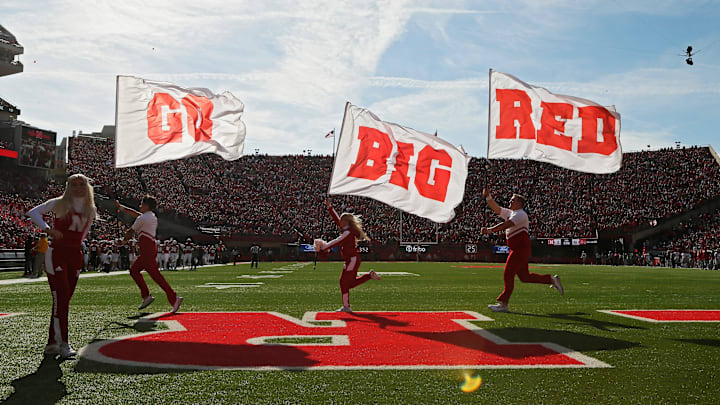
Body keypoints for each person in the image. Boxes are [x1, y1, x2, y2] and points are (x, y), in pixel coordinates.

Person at [26, 174, 96, 358]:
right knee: (62, 299)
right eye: (74, 184)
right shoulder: (59, 202)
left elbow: (83, 235)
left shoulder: (91, 209)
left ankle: (51, 343)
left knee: (62, 301)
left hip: (75, 255)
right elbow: (33, 212)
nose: (78, 187)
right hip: (56, 253)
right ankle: (64, 343)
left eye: (82, 184)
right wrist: (48, 229)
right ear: (68, 187)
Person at [481, 188, 563, 312]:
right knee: (525, 277)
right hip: (519, 249)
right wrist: (488, 197)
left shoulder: (520, 214)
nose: (510, 201)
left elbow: (506, 225)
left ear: (519, 203)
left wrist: (489, 230)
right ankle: (551, 279)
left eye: (512, 200)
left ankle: (504, 304)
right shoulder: (513, 213)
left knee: (508, 274)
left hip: (519, 250)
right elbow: (497, 209)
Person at [115, 196, 183, 314]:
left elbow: (131, 231)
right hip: (149, 248)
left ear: (146, 206)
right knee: (135, 271)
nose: (140, 206)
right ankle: (148, 296)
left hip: (147, 248)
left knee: (154, 276)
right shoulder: (150, 216)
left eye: (142, 204)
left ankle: (172, 298)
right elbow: (136, 214)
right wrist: (122, 208)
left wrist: (123, 241)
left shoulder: (143, 218)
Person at [318, 199, 381, 313]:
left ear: (346, 222)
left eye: (342, 221)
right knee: (348, 283)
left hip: (352, 260)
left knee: (344, 282)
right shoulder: (346, 229)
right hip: (350, 260)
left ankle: (347, 307)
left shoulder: (347, 233)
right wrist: (329, 207)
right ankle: (368, 276)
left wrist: (324, 247)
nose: (340, 222)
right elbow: (337, 220)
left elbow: (337, 241)